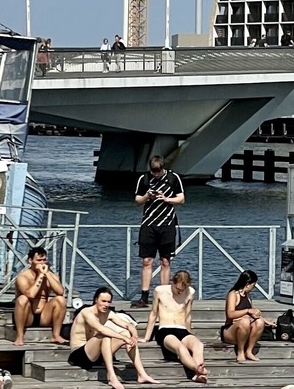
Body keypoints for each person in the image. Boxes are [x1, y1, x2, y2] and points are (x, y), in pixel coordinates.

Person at [67, 287, 157, 389]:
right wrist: (124, 338)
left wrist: (134, 337)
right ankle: (112, 377)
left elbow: (128, 325)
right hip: (79, 355)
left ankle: (142, 374)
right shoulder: (86, 312)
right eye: (103, 301)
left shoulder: (108, 313)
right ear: (96, 300)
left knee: (126, 333)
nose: (106, 305)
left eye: (109, 302)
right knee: (105, 336)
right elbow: (101, 330)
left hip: (97, 355)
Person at [130, 155, 185, 309]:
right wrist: (148, 196)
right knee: (147, 261)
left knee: (165, 261)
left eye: (158, 172)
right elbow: (137, 201)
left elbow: (181, 199)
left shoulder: (173, 178)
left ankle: (164, 295)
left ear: (163, 168)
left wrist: (167, 199)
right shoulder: (144, 179)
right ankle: (144, 296)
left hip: (167, 224)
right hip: (149, 224)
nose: (155, 174)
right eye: (153, 172)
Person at [141, 271, 207, 383]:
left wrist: (190, 334)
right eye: (178, 289)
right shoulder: (160, 291)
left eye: (183, 290)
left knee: (198, 345)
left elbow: (187, 316)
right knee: (180, 348)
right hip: (165, 329)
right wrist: (146, 338)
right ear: (172, 282)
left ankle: (197, 374)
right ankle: (197, 369)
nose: (180, 292)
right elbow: (153, 314)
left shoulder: (190, 292)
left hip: (182, 328)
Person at [12, 246, 67, 345]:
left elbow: (60, 291)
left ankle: (56, 335)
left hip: (44, 315)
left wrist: (47, 274)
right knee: (22, 299)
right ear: (30, 261)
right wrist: (41, 275)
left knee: (60, 299)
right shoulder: (23, 277)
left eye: (44, 260)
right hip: (27, 316)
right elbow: (31, 294)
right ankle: (20, 337)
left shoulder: (51, 276)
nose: (42, 263)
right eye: (38, 260)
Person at [220, 270, 266, 363]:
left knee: (260, 322)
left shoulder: (248, 295)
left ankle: (249, 351)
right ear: (248, 284)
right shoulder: (233, 294)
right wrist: (247, 311)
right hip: (231, 329)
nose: (253, 287)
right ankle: (240, 351)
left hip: (246, 329)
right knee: (245, 321)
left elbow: (253, 314)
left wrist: (266, 321)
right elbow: (230, 314)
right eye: (253, 285)